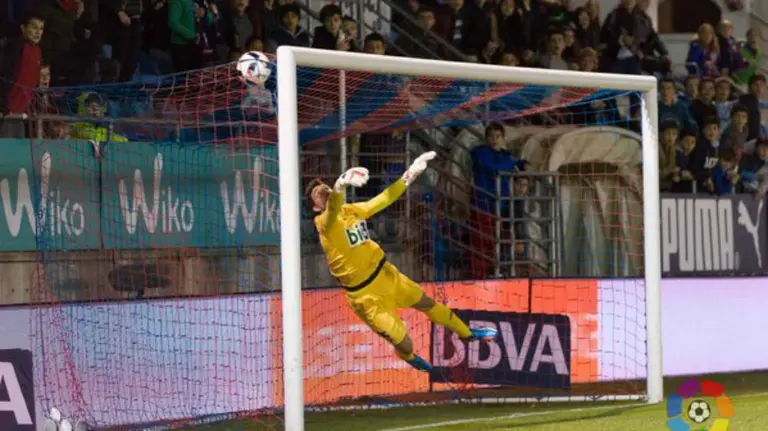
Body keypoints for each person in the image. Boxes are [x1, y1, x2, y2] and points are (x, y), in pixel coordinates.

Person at [307, 152, 498, 372]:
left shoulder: (352, 210)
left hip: (387, 274)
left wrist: (410, 174)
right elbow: (332, 212)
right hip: (366, 297)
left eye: (325, 187)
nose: (323, 190)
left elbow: (385, 199)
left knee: (427, 302)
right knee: (405, 343)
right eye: (317, 193)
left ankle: (468, 334)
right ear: (315, 206)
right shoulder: (324, 223)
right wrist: (340, 185)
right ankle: (405, 355)